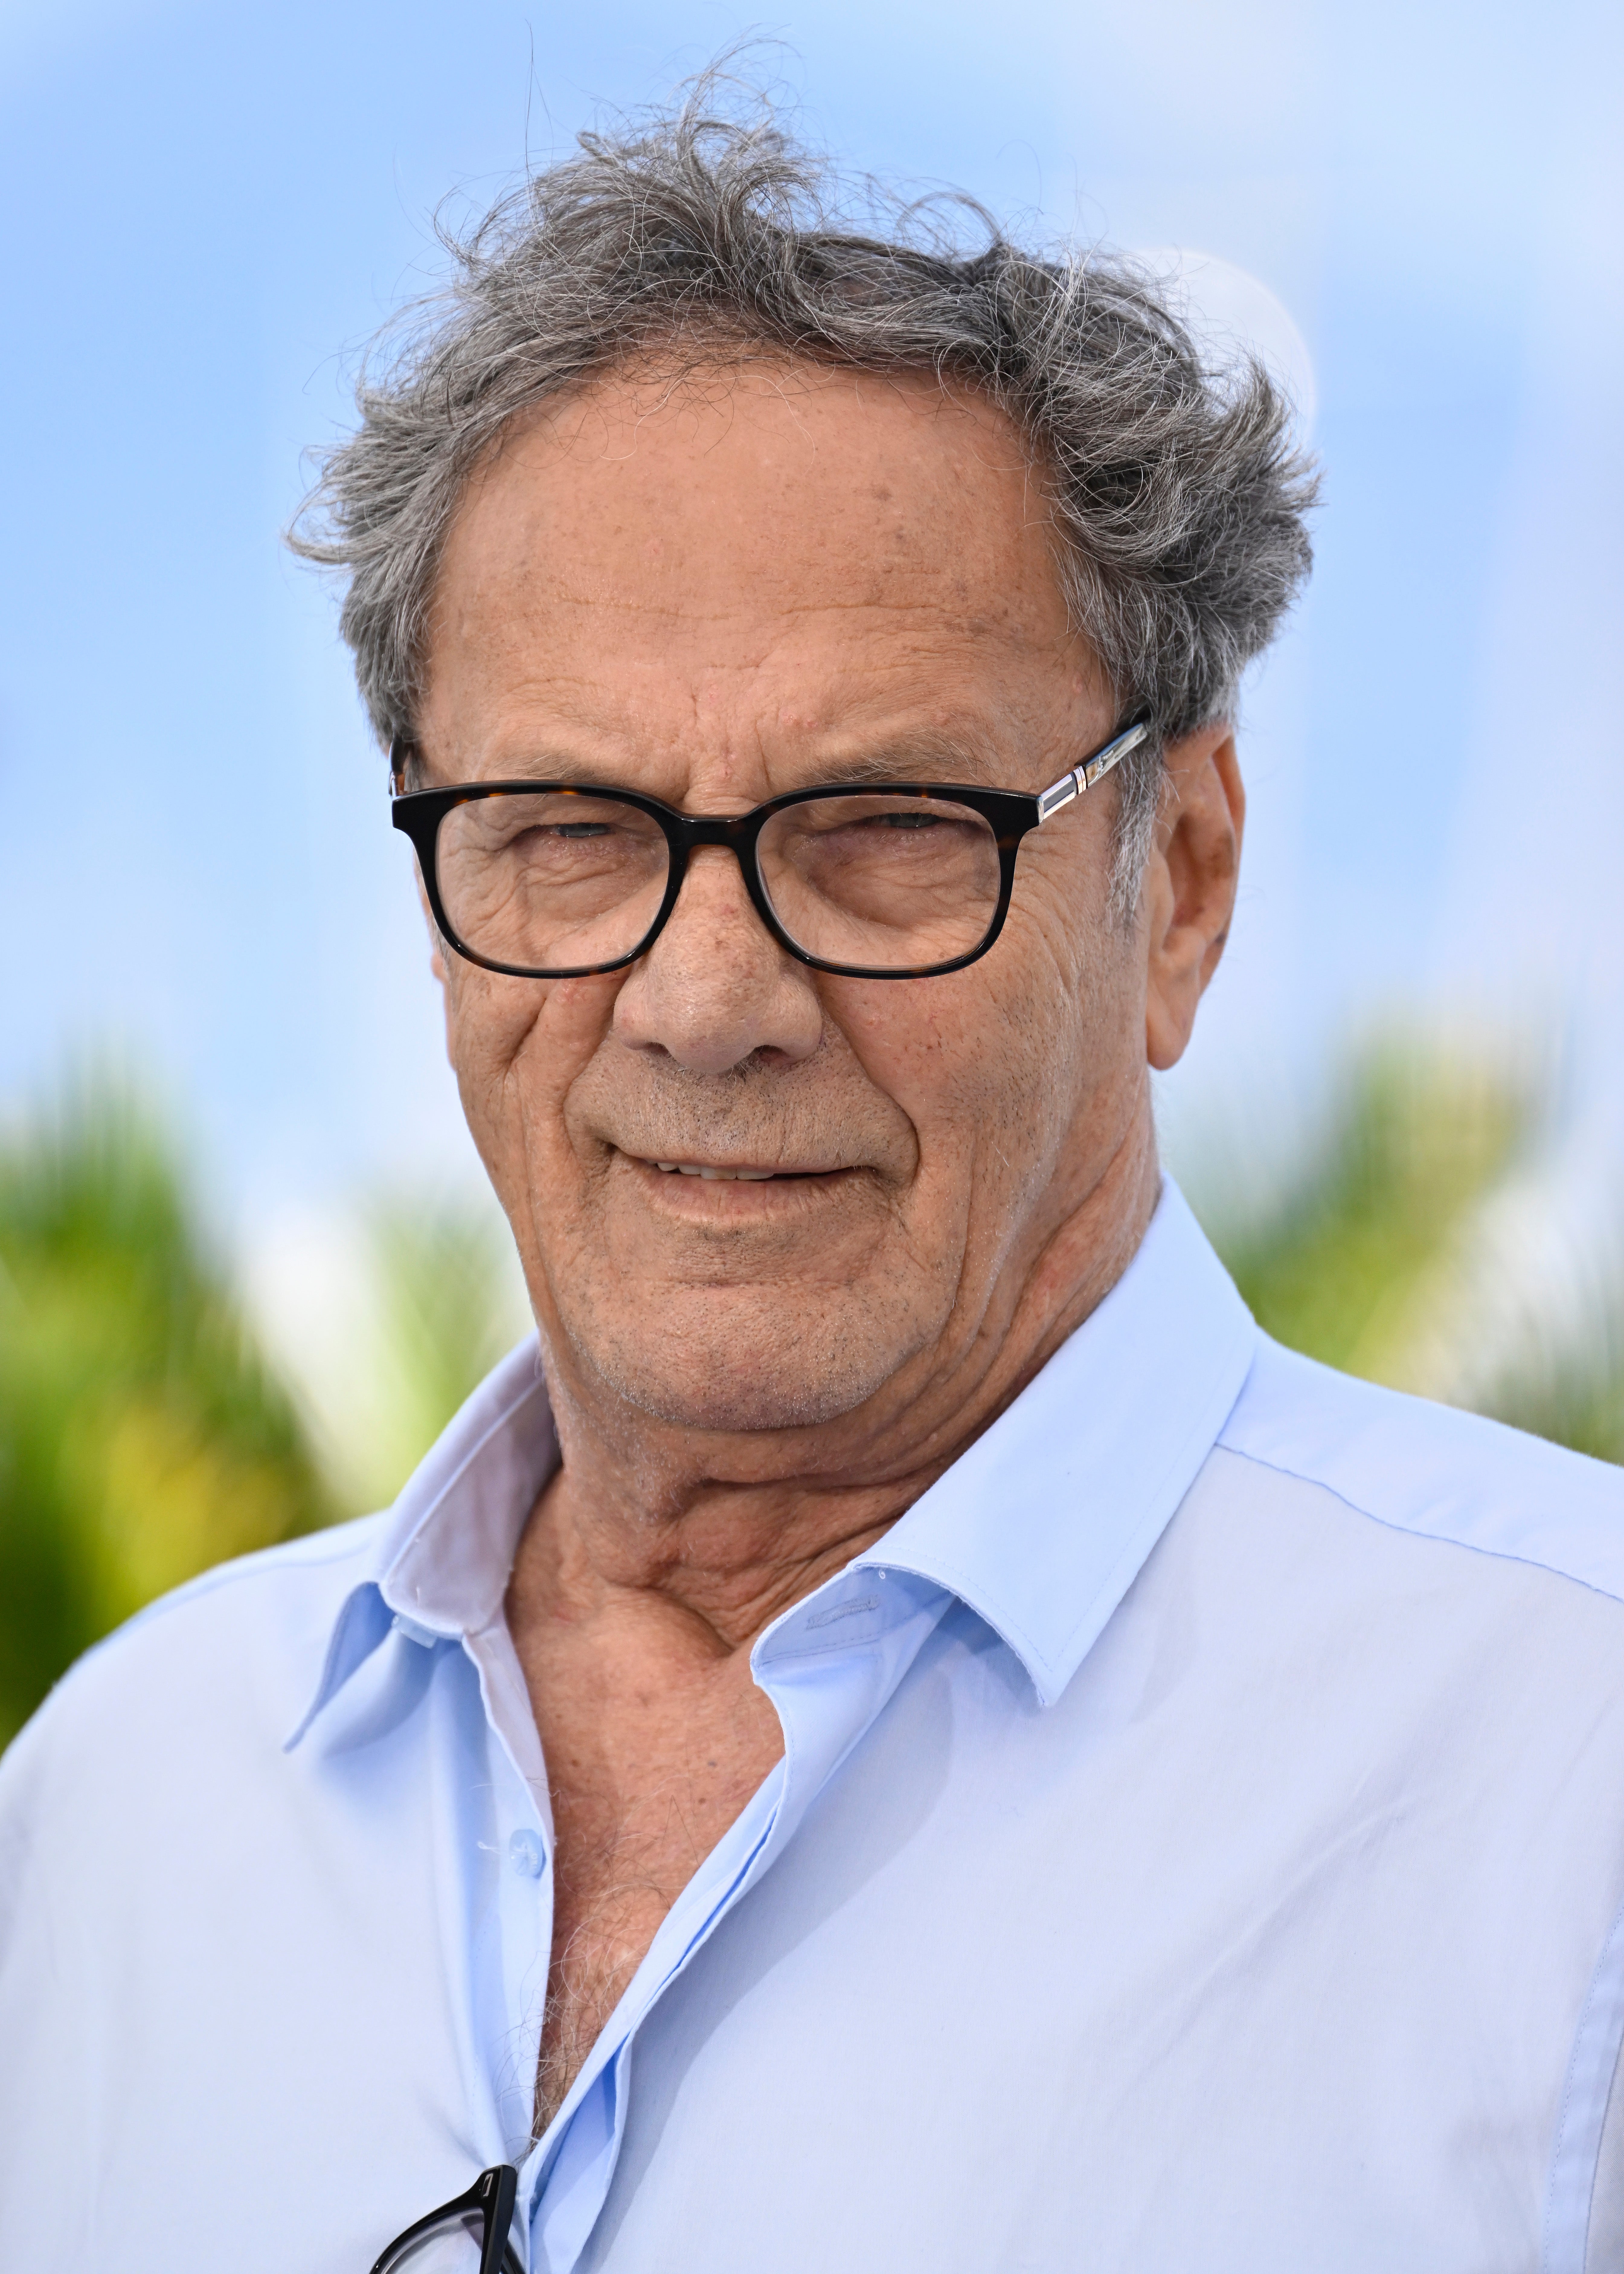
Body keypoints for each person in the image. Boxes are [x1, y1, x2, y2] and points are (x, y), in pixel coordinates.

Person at [4, 78, 1623, 2274]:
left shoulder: (1565, 1779)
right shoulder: (121, 1805)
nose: (702, 1000)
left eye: (881, 829)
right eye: (567, 829)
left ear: (1184, 886)